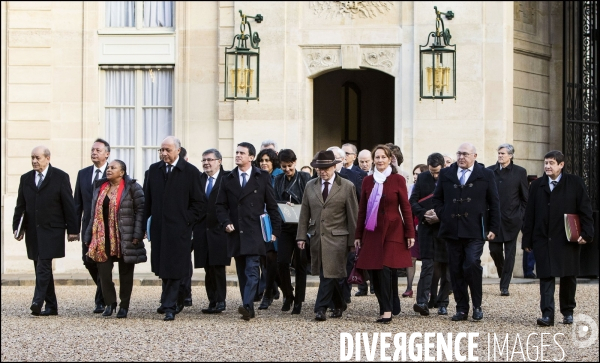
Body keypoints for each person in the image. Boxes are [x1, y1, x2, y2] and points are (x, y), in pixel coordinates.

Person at [522, 150, 594, 327]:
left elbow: (585, 209)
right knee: (546, 276)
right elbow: (529, 214)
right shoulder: (536, 185)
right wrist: (527, 240)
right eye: (546, 163)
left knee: (568, 276)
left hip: (567, 238)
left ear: (561, 165)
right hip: (543, 238)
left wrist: (587, 233)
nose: (547, 166)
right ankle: (547, 314)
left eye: (551, 163)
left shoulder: (575, 183)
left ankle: (568, 311)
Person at [433, 142, 500, 322]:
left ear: (474, 156)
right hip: (452, 229)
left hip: (475, 229)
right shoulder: (447, 173)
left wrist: (494, 227)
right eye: (459, 153)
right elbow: (437, 198)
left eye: (465, 154)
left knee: (471, 264)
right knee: (455, 269)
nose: (461, 157)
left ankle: (477, 305)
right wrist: (444, 214)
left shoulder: (486, 174)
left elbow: (494, 203)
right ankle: (462, 308)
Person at [215, 142, 282, 321]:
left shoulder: (262, 177)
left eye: (242, 153)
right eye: (236, 152)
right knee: (242, 271)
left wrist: (275, 230)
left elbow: (272, 205)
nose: (237, 155)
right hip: (236, 231)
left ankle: (246, 304)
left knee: (253, 270)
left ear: (251, 157)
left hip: (255, 231)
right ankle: (249, 307)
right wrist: (225, 222)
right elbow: (220, 206)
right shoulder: (227, 178)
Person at [13, 146, 78, 316]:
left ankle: (37, 301)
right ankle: (52, 306)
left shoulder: (60, 177)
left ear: (48, 158)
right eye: (32, 157)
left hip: (52, 230)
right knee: (41, 266)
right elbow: (20, 206)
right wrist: (17, 228)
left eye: (38, 158)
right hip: (33, 231)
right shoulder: (25, 178)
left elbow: (68, 205)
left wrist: (73, 230)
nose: (34, 161)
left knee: (43, 265)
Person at [143, 136, 203, 321]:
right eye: (161, 150)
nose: (164, 153)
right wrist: (145, 225)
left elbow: (199, 203)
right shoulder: (153, 170)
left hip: (179, 230)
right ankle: (173, 299)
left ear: (178, 150)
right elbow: (148, 201)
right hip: (160, 228)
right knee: (162, 267)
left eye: (167, 150)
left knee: (175, 267)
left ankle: (169, 305)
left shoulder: (191, 172)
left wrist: (186, 220)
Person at [354, 145, 415, 324]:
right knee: (375, 270)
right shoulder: (367, 181)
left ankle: (386, 310)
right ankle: (387, 304)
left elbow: (405, 207)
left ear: (390, 159)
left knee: (386, 269)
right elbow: (362, 210)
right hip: (372, 231)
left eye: (383, 157)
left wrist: (410, 232)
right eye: (377, 157)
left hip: (393, 229)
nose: (380, 160)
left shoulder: (397, 179)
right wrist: (358, 235)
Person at [296, 150, 358, 321]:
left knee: (328, 274)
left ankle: (320, 308)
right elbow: (304, 213)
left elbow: (353, 215)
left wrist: (354, 241)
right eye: (318, 169)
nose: (322, 172)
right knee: (329, 274)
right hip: (317, 237)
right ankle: (339, 304)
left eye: (325, 168)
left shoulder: (347, 186)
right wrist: (301, 236)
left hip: (339, 238)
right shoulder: (310, 186)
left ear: (334, 166)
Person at [83, 160, 146, 318]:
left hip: (125, 235)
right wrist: (88, 235)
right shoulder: (100, 187)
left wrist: (138, 234)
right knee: (103, 273)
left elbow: (141, 211)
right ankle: (110, 303)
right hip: (102, 237)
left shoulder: (133, 188)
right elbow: (93, 214)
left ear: (122, 172)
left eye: (113, 168)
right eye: (108, 167)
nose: (109, 170)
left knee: (126, 272)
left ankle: (124, 306)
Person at [410, 153, 451, 316]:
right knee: (427, 266)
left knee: (446, 268)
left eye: (437, 172)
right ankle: (422, 301)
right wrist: (424, 214)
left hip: (445, 229)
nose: (435, 175)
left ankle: (443, 303)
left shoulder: (450, 178)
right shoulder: (422, 179)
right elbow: (413, 201)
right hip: (427, 228)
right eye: (432, 171)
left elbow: (455, 203)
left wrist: (439, 215)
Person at [73, 138, 110, 314]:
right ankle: (106, 289)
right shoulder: (83, 174)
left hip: (106, 226)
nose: (94, 153)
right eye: (92, 150)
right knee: (88, 260)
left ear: (107, 154)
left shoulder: (114, 172)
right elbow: (77, 204)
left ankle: (100, 300)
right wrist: (73, 229)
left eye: (98, 150)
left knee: (102, 261)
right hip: (88, 225)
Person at [273, 149, 312, 314]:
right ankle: (288, 294)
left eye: (289, 166)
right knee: (281, 262)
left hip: (302, 226)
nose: (287, 169)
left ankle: (299, 301)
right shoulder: (278, 179)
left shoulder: (305, 178)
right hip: (285, 227)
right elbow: (274, 200)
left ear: (295, 162)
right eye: (284, 167)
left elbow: (311, 199)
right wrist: (282, 203)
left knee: (301, 263)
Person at [487, 144, 528, 296]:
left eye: (503, 153)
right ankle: (502, 272)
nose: (500, 156)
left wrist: (520, 215)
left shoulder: (519, 172)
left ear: (510, 155)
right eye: (499, 153)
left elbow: (525, 198)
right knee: (494, 250)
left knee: (510, 253)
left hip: (512, 220)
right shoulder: (489, 171)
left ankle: (505, 285)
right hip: (494, 220)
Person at [193, 149, 230, 314]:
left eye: (210, 159)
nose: (206, 163)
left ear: (219, 161)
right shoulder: (198, 180)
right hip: (202, 230)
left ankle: (221, 300)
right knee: (207, 268)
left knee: (218, 267)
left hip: (220, 230)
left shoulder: (227, 179)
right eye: (203, 160)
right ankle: (212, 301)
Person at [328, 146, 364, 304]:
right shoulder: (320, 178)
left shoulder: (355, 177)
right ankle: (332, 296)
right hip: (328, 229)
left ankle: (344, 295)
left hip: (346, 228)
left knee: (347, 264)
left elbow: (359, 204)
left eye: (335, 158)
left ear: (343, 160)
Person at [255, 148, 283, 309]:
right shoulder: (257, 175)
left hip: (275, 221)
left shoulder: (278, 176)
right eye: (262, 160)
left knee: (272, 257)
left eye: (267, 160)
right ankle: (277, 288)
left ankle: (269, 293)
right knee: (264, 259)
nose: (264, 163)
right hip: (260, 221)